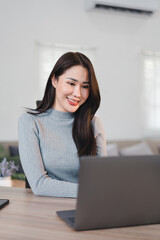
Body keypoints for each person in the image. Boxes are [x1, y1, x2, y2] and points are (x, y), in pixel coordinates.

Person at [18, 52, 107, 198]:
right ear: (54, 80)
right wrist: (90, 191)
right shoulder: (30, 122)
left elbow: (101, 181)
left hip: (89, 209)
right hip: (45, 212)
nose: (77, 93)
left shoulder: (94, 124)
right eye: (71, 83)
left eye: (84, 86)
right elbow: (39, 185)